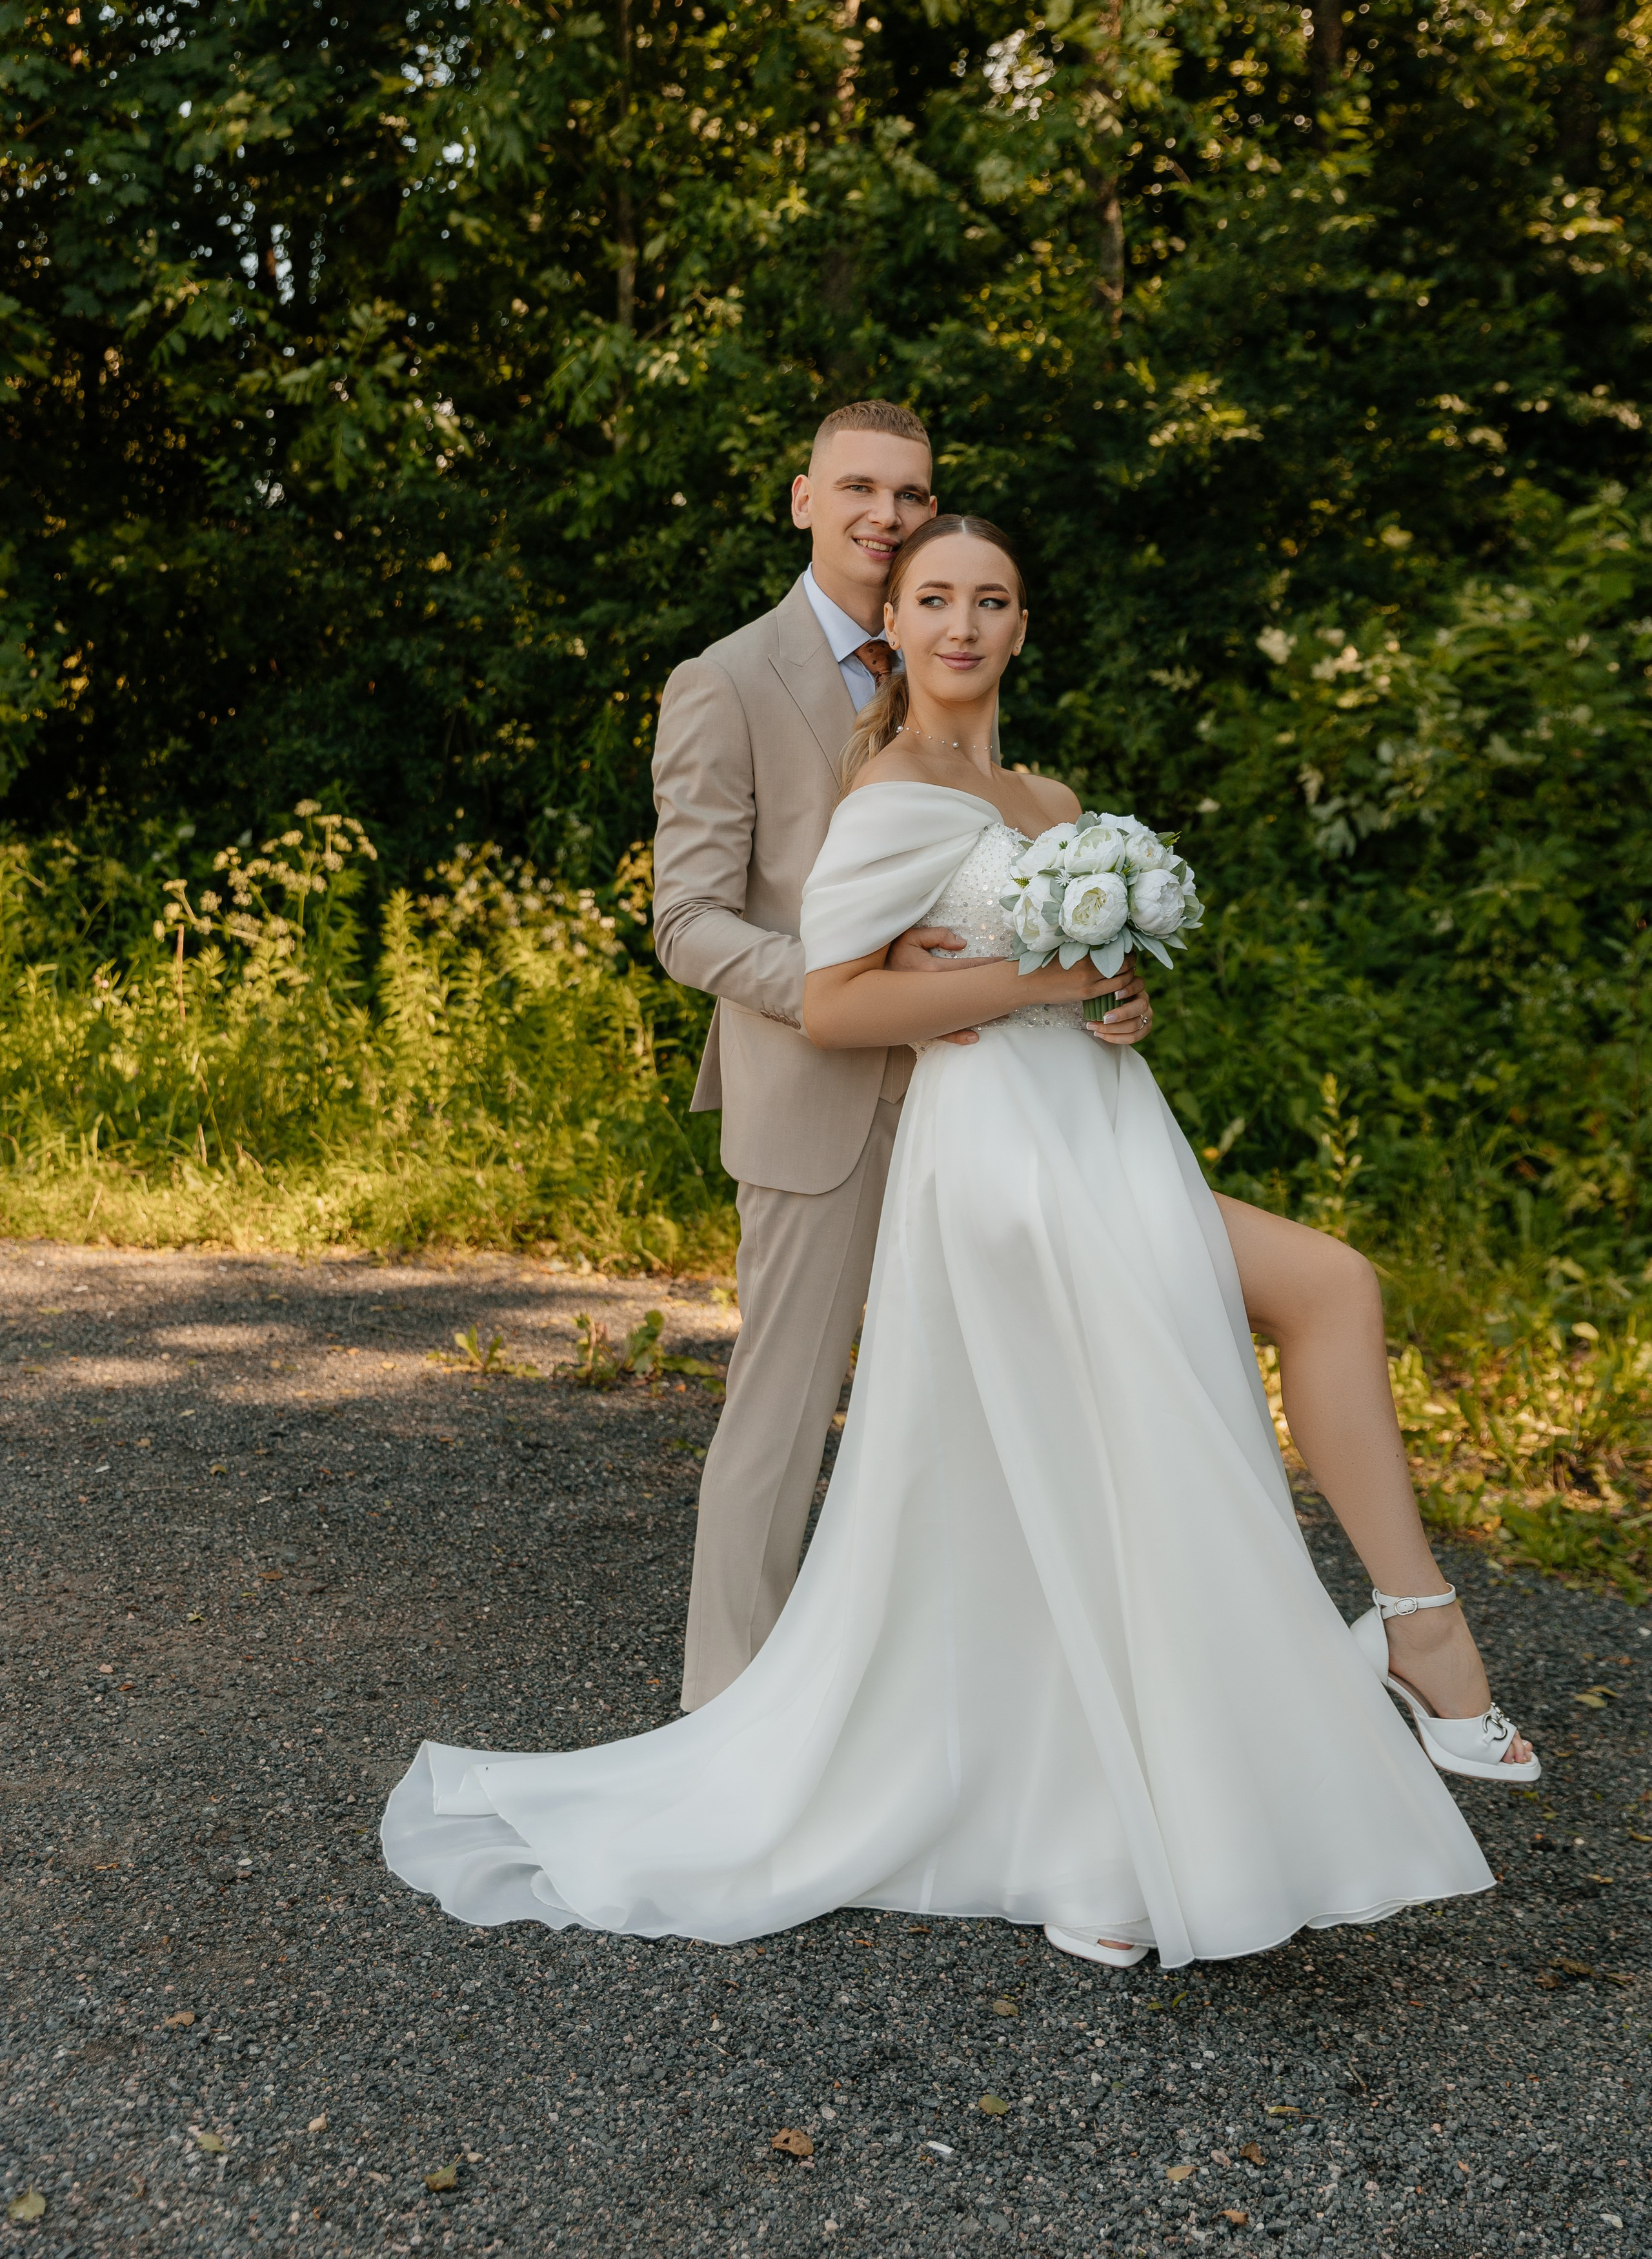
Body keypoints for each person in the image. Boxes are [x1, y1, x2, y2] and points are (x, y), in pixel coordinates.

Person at [382, 514, 1534, 1969]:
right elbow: (843, 1004)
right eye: (935, 598)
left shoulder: (1045, 795)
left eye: (991, 599)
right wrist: (1039, 971)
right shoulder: (884, 795)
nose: (964, 624)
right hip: (999, 1155)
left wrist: (1121, 1001)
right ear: (899, 621)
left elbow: (1074, 977)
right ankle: (1141, 1817)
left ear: (1019, 624)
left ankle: (1354, 1658)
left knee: (1307, 1303)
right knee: (1110, 1452)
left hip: (1106, 1120)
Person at [648, 399, 1155, 1711]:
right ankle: (725, 1717)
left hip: (992, 1101)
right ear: (801, 498)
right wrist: (854, 986)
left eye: (912, 494)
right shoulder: (728, 679)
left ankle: (955, 1714)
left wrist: (1090, 993)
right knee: (783, 1413)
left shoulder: (952, 656)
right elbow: (688, 920)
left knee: (985, 1407)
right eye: (859, 487)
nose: (887, 513)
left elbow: (1019, 889)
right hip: (820, 1096)